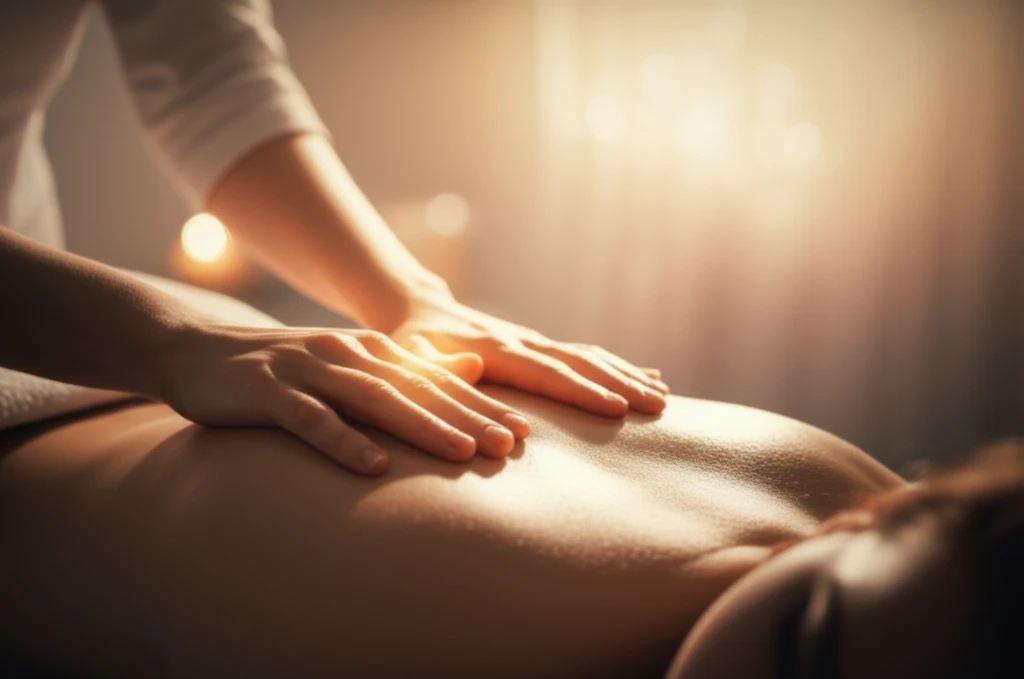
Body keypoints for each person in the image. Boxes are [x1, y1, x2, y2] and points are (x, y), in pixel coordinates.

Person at [0, 0, 669, 477]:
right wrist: (167, 339)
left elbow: (213, 78)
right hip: (65, 331)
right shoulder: (159, 337)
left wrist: (407, 299)